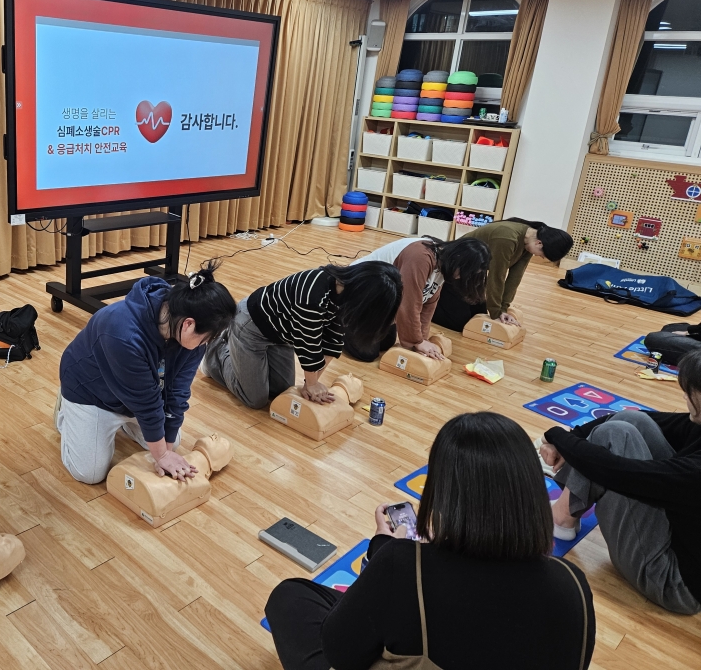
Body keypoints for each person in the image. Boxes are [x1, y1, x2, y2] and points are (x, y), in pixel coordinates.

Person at [265, 412, 595, 670]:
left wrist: (383, 549)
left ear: (444, 496)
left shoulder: (404, 566)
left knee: (291, 596)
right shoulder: (573, 584)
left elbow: (339, 651)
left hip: (391, 588)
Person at [540, 347, 701, 615]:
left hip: (675, 582)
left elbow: (616, 472)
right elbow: (639, 417)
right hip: (682, 533)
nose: (684, 395)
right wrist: (570, 437)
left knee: (612, 440)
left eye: (690, 390)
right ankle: (564, 515)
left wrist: (558, 436)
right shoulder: (698, 424)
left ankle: (561, 519)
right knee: (629, 421)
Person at [57, 263, 236, 485]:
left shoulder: (190, 335)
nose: (205, 344)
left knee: (173, 442)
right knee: (89, 473)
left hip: (135, 394)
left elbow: (177, 393)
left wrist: (166, 452)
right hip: (90, 391)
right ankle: (67, 411)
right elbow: (146, 403)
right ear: (189, 324)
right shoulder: (122, 333)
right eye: (207, 338)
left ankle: (125, 422)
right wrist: (161, 455)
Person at [203, 262, 402, 409]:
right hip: (251, 326)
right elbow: (309, 346)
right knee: (255, 400)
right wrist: (313, 384)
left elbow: (333, 342)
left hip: (281, 335)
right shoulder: (314, 296)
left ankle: (238, 352)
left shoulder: (346, 298)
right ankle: (217, 349)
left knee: (280, 391)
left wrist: (309, 384)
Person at [345, 236, 490, 362]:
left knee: (386, 343)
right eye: (465, 272)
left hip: (379, 301)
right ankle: (341, 320)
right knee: (367, 354)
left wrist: (421, 341)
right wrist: (416, 341)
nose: (461, 277)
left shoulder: (443, 265)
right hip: (358, 294)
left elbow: (428, 304)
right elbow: (409, 302)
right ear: (458, 259)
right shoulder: (421, 257)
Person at [433, 218, 574, 331]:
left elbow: (515, 277)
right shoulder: (507, 238)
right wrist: (496, 312)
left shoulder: (529, 243)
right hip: (456, 269)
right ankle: (429, 303)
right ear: (539, 243)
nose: (540, 257)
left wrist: (503, 309)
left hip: (475, 272)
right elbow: (497, 275)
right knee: (460, 323)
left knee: (477, 316)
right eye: (542, 255)